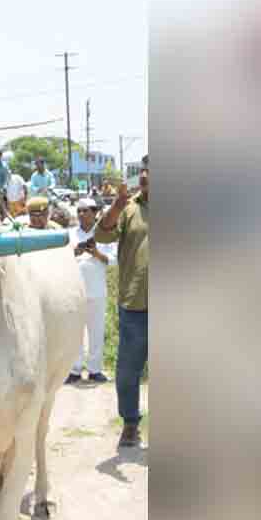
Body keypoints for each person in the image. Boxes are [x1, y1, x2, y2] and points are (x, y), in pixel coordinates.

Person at [95, 154, 148, 447]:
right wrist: (116, 206)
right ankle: (130, 423)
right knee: (128, 368)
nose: (145, 175)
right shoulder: (128, 208)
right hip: (135, 303)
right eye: (143, 170)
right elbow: (102, 236)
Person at [66, 198, 117, 385]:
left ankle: (95, 370)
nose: (81, 214)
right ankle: (75, 370)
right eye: (78, 211)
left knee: (96, 332)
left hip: (97, 290)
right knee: (75, 332)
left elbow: (113, 260)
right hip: (75, 291)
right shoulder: (70, 234)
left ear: (95, 213)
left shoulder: (105, 234)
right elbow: (63, 256)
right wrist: (76, 253)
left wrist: (96, 253)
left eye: (85, 210)